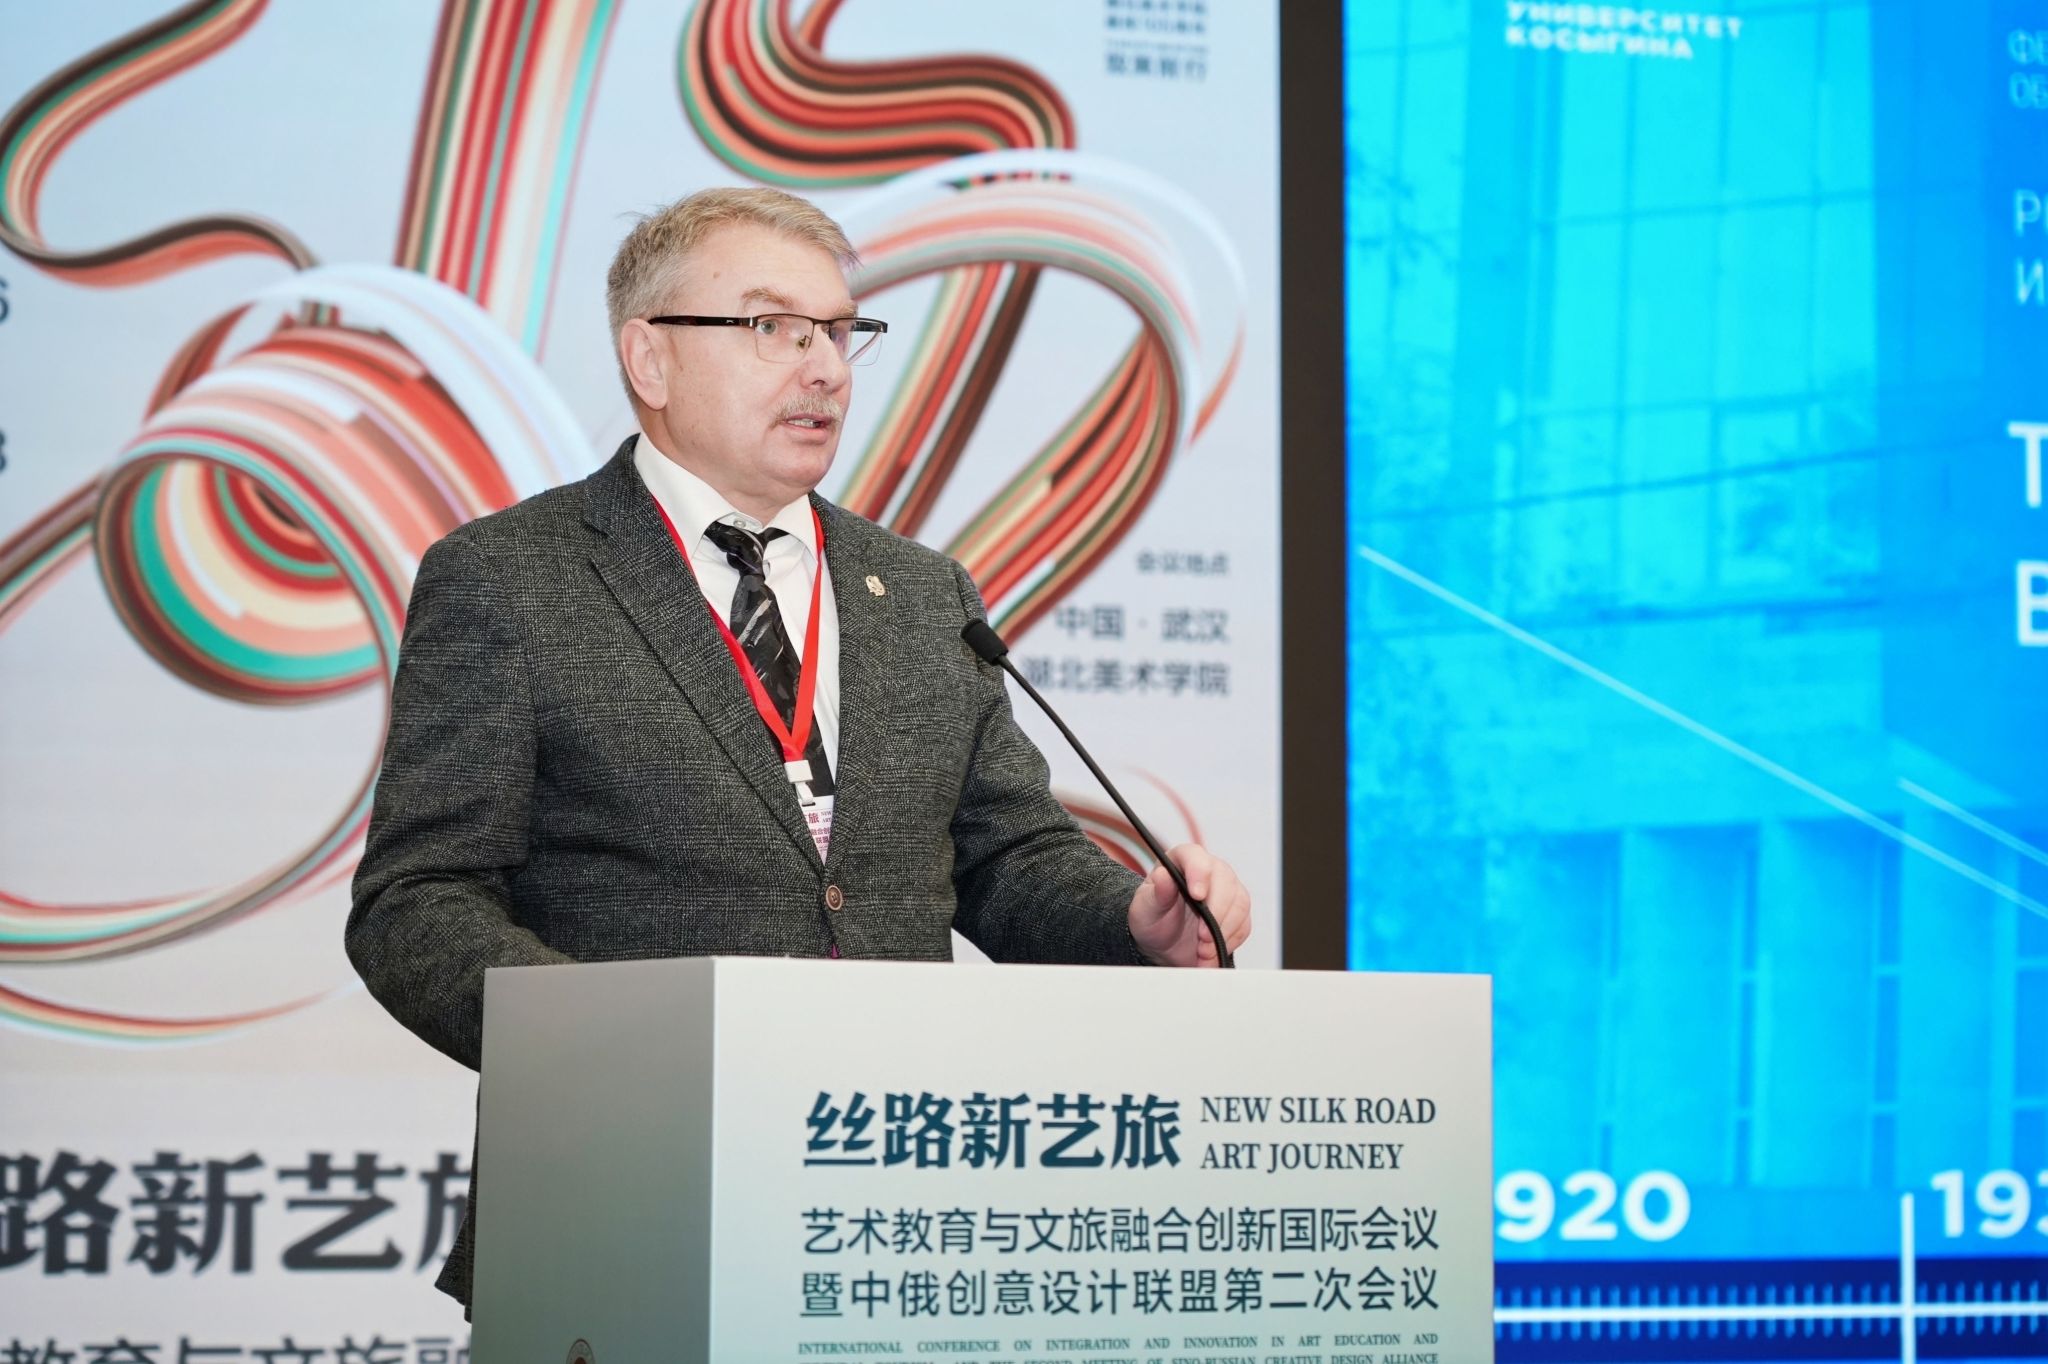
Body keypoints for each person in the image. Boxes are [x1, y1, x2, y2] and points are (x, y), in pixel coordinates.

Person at [345, 186, 1253, 1314]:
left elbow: (1004, 857)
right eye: (774, 327)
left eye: (838, 331)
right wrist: (610, 1045)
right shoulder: (512, 578)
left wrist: (1131, 919)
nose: (824, 368)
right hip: (620, 1198)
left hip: (894, 1211)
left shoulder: (921, 592)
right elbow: (417, 899)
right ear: (649, 357)